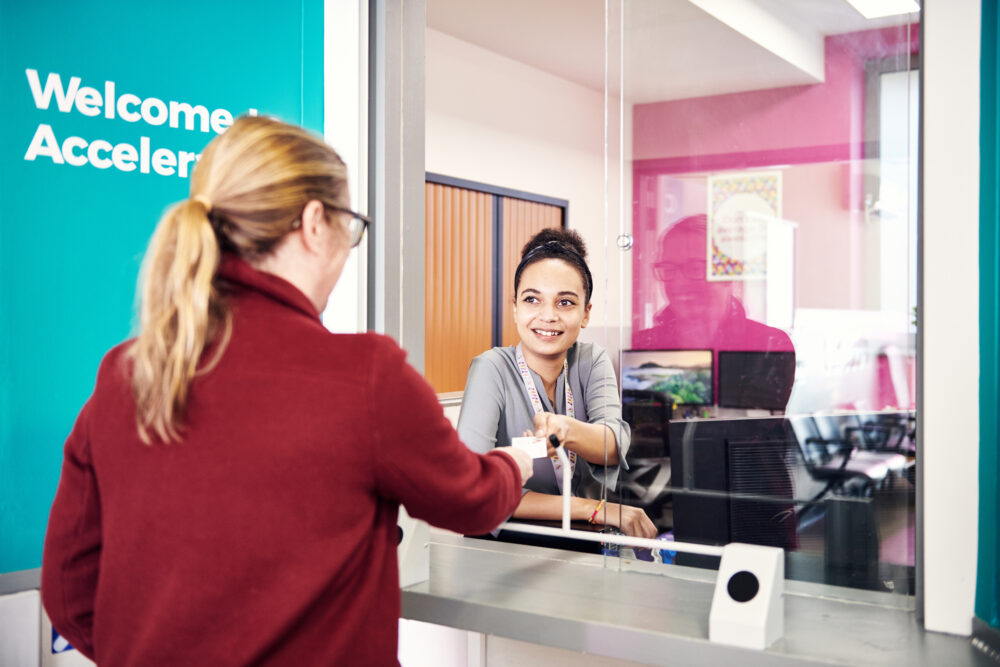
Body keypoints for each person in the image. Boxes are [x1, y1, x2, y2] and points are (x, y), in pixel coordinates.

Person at [41, 116, 533, 666]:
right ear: (315, 222)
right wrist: (516, 461)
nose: (348, 252)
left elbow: (69, 589)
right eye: (351, 228)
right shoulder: (364, 377)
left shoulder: (126, 372)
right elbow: (471, 502)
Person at [458, 228, 657, 539]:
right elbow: (473, 486)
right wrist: (593, 508)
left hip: (579, 537)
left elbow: (613, 446)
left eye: (565, 302)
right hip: (509, 545)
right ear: (515, 307)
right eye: (532, 299)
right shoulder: (491, 369)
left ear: (586, 313)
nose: (547, 316)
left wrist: (566, 431)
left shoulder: (591, 360)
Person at [633, 214, 795, 407]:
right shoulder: (643, 344)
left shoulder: (769, 345)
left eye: (695, 268)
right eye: (669, 269)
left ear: (728, 274)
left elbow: (759, 429)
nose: (678, 283)